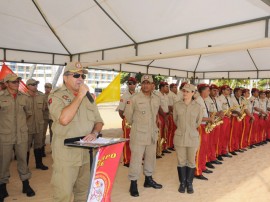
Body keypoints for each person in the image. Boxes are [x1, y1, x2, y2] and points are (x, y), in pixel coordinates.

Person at [48, 62, 104, 202]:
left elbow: (99, 121)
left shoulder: (89, 98)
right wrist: (79, 96)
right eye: (76, 75)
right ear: (65, 78)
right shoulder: (56, 96)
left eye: (83, 75)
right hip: (66, 155)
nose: (81, 78)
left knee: (83, 193)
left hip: (86, 153)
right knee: (63, 195)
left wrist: (95, 133)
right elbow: (64, 119)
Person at [124, 74, 162, 197]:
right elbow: (128, 117)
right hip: (139, 133)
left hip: (152, 133)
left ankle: (148, 180)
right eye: (143, 83)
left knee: (151, 158)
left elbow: (155, 114)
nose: (145, 85)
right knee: (136, 159)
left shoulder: (156, 98)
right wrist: (138, 125)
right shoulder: (134, 98)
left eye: (148, 83)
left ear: (152, 85)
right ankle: (133, 184)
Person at [0, 74, 35, 201]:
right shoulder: (0, 97)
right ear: (6, 83)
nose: (16, 83)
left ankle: (26, 185)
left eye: (18, 81)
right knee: (3, 162)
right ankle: (2, 188)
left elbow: (28, 113)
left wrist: (19, 125)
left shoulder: (24, 97)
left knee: (23, 160)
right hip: (5, 135)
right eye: (13, 81)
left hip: (21, 135)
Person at [173, 83, 203, 194]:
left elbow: (198, 122)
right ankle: (182, 183)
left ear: (193, 93)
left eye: (187, 91)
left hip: (192, 138)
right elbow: (175, 120)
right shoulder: (177, 105)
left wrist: (189, 130)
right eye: (183, 91)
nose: (184, 93)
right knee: (181, 161)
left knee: (191, 161)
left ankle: (189, 183)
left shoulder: (198, 107)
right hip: (180, 137)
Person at [25, 78, 48, 170]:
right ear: (27, 86)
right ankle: (24, 166)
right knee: (26, 146)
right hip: (27, 126)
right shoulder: (23, 97)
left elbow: (44, 109)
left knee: (38, 145)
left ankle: (39, 164)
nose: (35, 86)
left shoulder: (41, 96)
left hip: (39, 125)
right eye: (33, 85)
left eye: (36, 84)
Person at [194, 84, 214, 180]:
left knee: (204, 148)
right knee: (199, 149)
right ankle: (197, 171)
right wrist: (209, 119)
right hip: (200, 127)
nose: (209, 92)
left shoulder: (203, 101)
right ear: (203, 91)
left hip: (204, 126)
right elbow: (197, 118)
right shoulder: (198, 101)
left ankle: (202, 166)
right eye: (208, 90)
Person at [118, 77, 137, 167]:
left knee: (136, 141)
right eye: (129, 83)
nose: (131, 85)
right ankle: (127, 160)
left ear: (136, 84)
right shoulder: (124, 96)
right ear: (128, 85)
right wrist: (126, 119)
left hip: (136, 121)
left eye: (133, 83)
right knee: (127, 141)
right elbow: (121, 111)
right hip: (127, 121)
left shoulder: (138, 95)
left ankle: (134, 159)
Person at [42, 83, 53, 157]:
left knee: (53, 134)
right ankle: (42, 150)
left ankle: (53, 149)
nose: (47, 89)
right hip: (45, 117)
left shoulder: (53, 96)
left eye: (48, 87)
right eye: (46, 87)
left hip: (52, 117)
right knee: (43, 134)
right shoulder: (42, 96)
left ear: (51, 88)